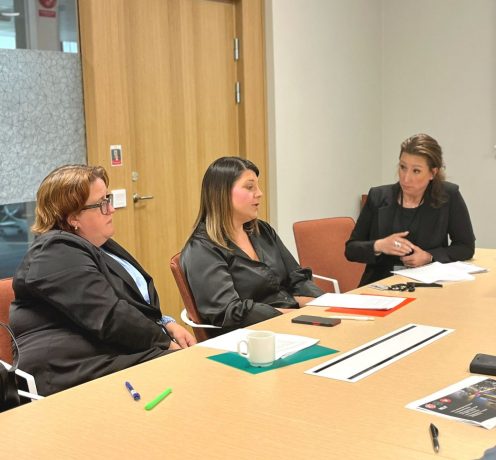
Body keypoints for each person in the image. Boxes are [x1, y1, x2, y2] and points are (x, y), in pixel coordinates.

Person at [11, 165, 195, 396]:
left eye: (108, 198)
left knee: (191, 369)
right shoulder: (54, 252)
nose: (112, 209)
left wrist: (166, 323)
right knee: (187, 370)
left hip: (103, 350)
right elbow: (109, 315)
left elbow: (131, 301)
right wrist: (165, 342)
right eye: (102, 203)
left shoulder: (99, 245)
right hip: (68, 367)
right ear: (73, 217)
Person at [181, 157, 323, 337]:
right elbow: (229, 311)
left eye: (257, 186)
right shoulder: (201, 249)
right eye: (250, 187)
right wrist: (294, 315)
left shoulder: (262, 230)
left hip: (290, 324)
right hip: (250, 338)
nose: (259, 193)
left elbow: (297, 278)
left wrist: (323, 305)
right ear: (221, 193)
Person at [345, 133, 475, 286]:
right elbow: (351, 250)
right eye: (402, 167)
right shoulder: (378, 196)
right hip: (381, 286)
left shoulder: (448, 196)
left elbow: (465, 247)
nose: (406, 178)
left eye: (416, 171)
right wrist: (379, 245)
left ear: (433, 173)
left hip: (428, 287)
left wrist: (429, 256)